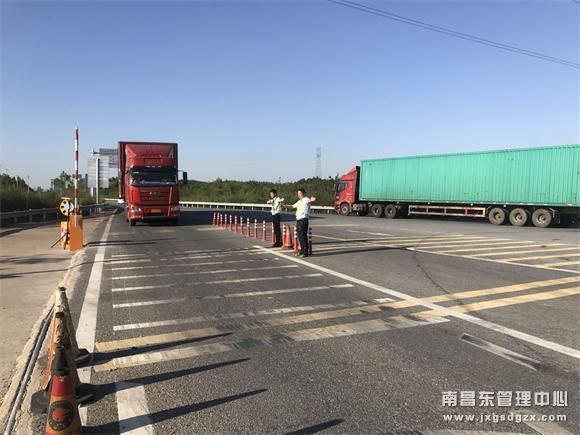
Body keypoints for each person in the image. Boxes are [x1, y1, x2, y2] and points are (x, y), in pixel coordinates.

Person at [290, 188, 316, 257]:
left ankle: (305, 252)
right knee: (300, 236)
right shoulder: (299, 201)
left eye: (300, 193)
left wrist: (312, 199)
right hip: (299, 220)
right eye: (298, 193)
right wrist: (283, 205)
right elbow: (292, 206)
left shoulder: (306, 199)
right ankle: (301, 251)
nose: (298, 195)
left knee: (303, 236)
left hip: (303, 219)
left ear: (303, 193)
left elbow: (310, 200)